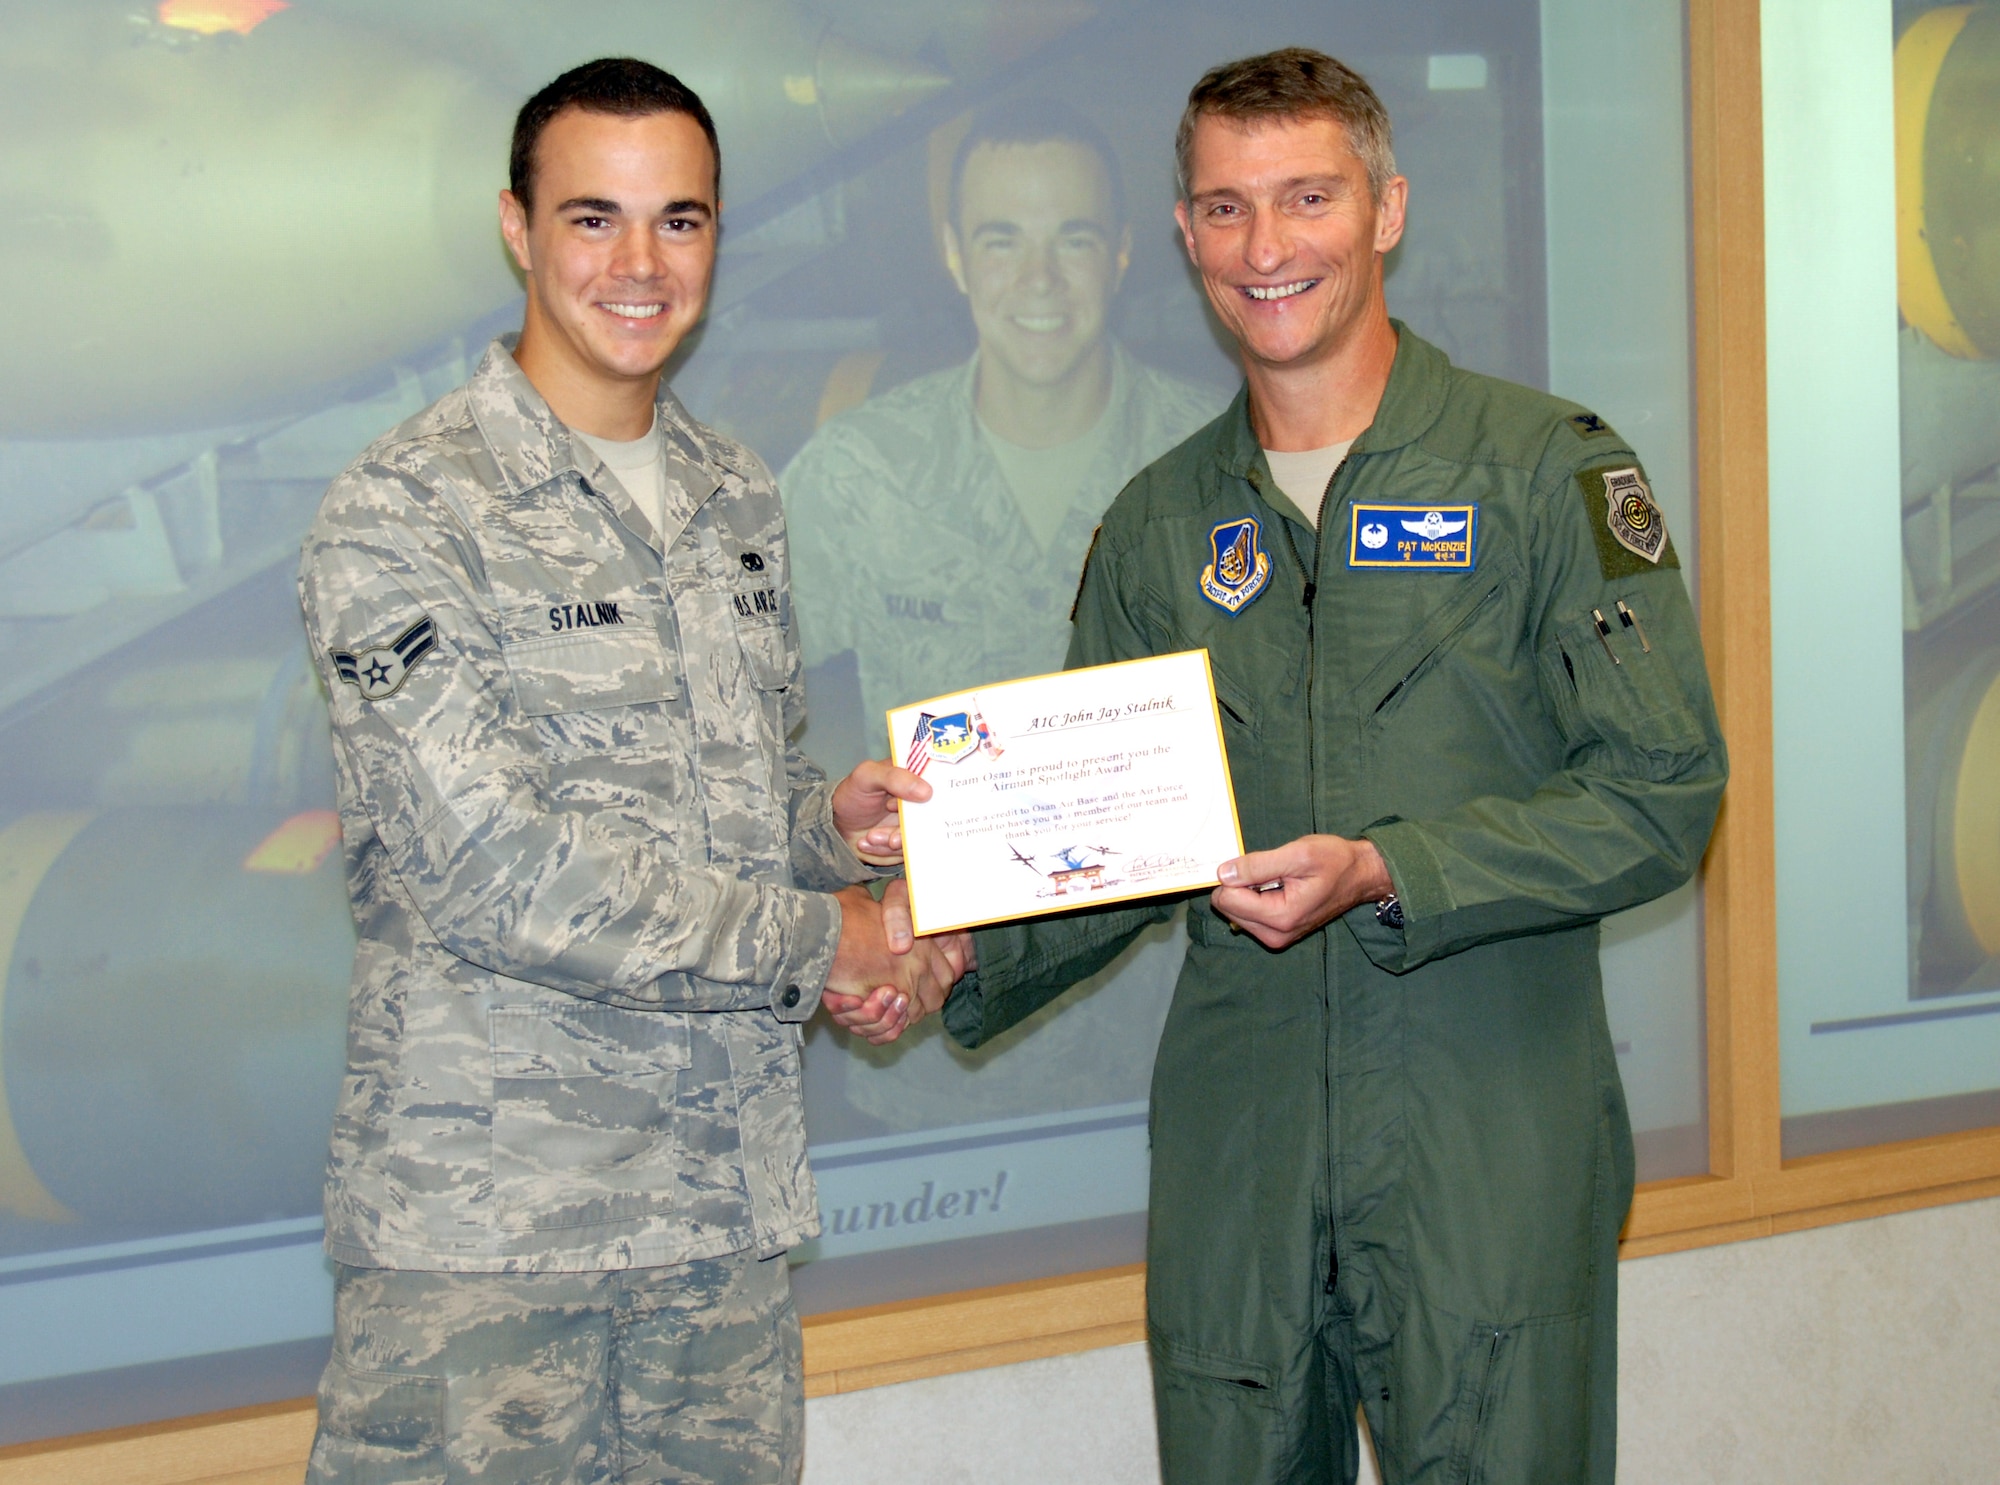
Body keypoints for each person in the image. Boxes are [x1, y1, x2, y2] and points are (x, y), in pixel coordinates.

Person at [938, 49, 1727, 1484]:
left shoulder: (1546, 473)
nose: (1268, 245)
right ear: (1183, 236)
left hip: (1484, 1143)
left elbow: (1661, 793)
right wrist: (934, 941)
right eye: (1228, 208)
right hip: (1241, 1161)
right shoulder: (1161, 520)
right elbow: (1100, 846)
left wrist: (1393, 868)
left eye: (1308, 196)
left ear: (1387, 209)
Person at [297, 58, 957, 1484]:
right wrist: (819, 937)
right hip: (491, 1252)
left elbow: (719, 807)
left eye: (682, 221)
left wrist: (831, 837)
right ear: (517, 229)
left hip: (716, 1230)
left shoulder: (736, 496)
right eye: (594, 219)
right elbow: (496, 868)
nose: (641, 265)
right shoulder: (401, 512)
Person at [782, 98, 1224, 1131]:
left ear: (1121, 252)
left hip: (1173, 1047)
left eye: (1071, 239)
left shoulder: (1212, 467)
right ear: (952, 255)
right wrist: (846, 919)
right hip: (930, 1050)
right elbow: (761, 745)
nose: (1037, 281)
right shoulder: (855, 478)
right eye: (1000, 239)